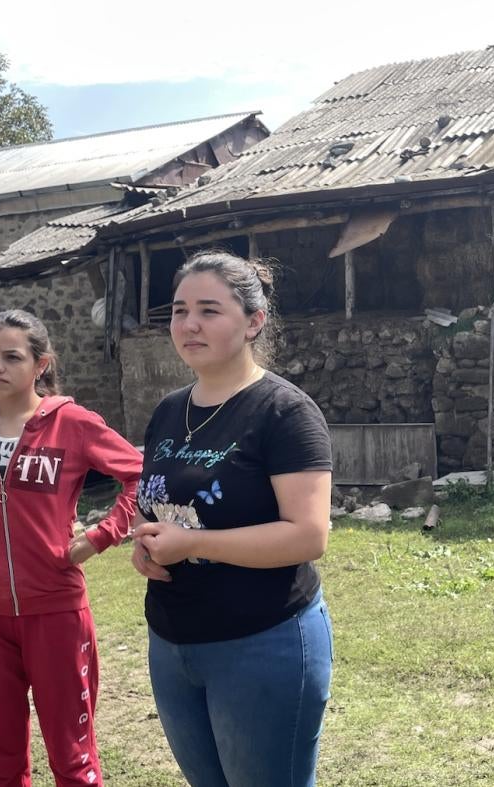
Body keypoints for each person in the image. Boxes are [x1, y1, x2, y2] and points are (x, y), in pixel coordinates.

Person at [130, 251, 333, 787]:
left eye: (209, 310)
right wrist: (146, 542)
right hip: (172, 643)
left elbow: (309, 535)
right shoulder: (169, 410)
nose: (189, 324)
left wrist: (193, 541)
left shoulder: (284, 412)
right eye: (178, 310)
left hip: (262, 641)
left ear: (253, 322)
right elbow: (159, 501)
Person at [0, 309, 142, 787]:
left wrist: (101, 535)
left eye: (12, 357)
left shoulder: (72, 424)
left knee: (73, 759)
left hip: (55, 611)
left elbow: (138, 474)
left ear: (41, 364)